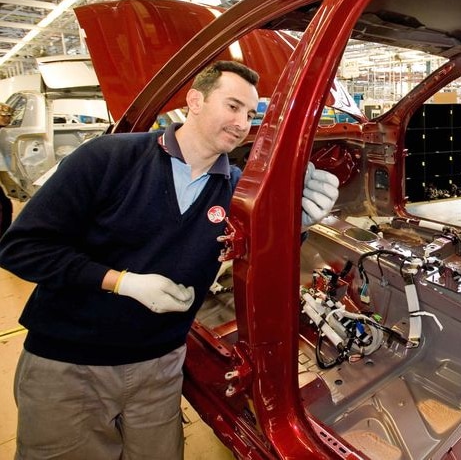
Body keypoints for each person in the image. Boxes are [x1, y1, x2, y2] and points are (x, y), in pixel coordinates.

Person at [0, 60, 340, 459]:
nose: (242, 122)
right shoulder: (109, 157)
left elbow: (259, 257)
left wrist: (294, 224)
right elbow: (21, 248)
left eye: (250, 113)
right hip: (71, 365)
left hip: (160, 368)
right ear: (195, 100)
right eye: (232, 106)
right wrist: (121, 281)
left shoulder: (234, 187)